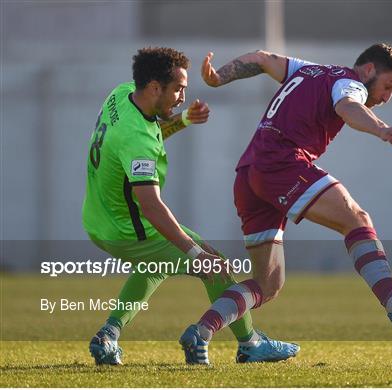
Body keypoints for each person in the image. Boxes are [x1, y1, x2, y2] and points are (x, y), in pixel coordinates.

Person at [179, 43, 392, 359]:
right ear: (370, 69)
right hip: (282, 163)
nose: (386, 98)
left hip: (249, 172)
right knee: (357, 220)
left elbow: (262, 59)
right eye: (388, 86)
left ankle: (201, 332)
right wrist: (382, 129)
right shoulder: (350, 83)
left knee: (268, 282)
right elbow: (348, 106)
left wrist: (218, 78)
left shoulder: (308, 70)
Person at [82, 47, 299, 366]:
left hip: (98, 217)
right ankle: (249, 344)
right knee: (216, 267)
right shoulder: (137, 140)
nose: (184, 95)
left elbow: (146, 134)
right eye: (179, 89)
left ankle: (108, 335)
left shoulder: (123, 94)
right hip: (130, 229)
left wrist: (181, 120)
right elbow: (152, 205)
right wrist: (194, 254)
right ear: (155, 87)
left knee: (153, 268)